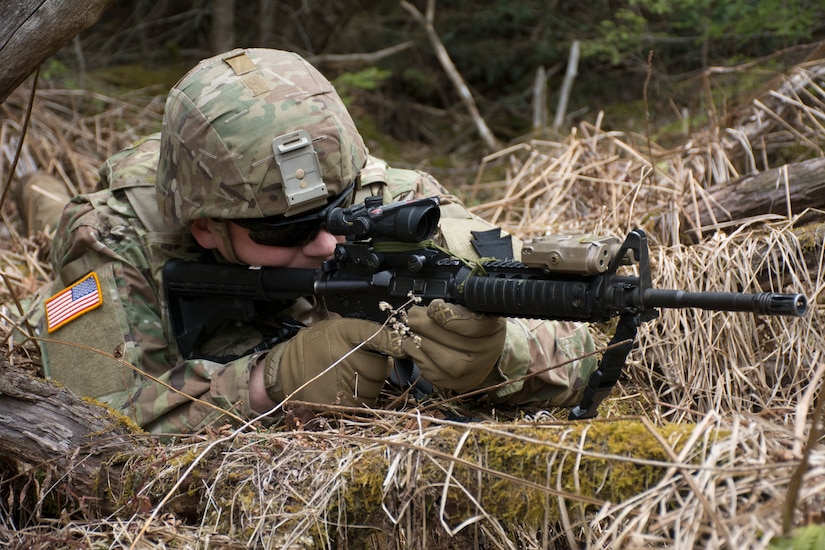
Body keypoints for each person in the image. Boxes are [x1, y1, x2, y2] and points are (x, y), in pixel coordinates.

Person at [11, 48, 597, 435]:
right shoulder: (116, 238)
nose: (321, 244)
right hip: (135, 209)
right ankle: (31, 188)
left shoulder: (392, 198)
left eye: (337, 215)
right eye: (284, 231)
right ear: (206, 229)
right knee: (48, 211)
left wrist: (495, 358)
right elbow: (91, 430)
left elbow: (576, 340)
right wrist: (272, 383)